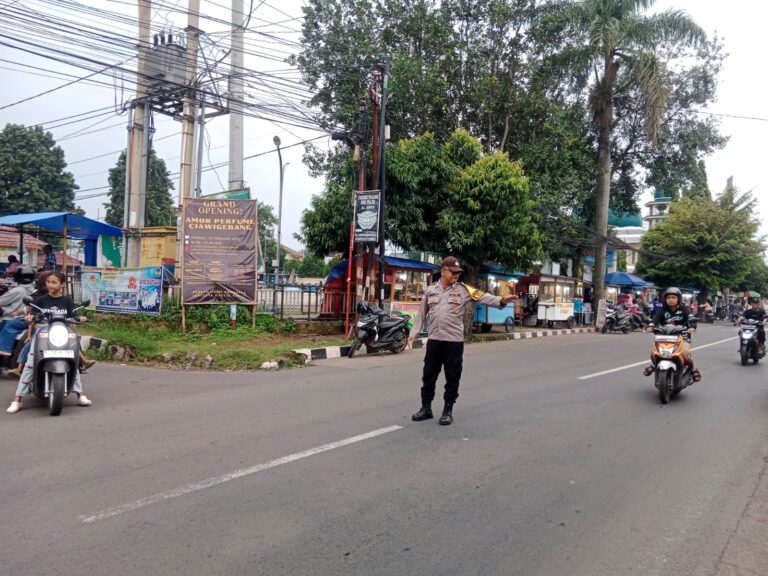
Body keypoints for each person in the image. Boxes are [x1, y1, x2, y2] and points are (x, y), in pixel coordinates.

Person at [407, 256, 515, 426]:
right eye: (453, 272)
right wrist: (413, 333)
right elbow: (421, 314)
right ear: (443, 271)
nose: (456, 276)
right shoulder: (430, 291)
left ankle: (447, 410)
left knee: (452, 377)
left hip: (454, 343)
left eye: (458, 273)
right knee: (428, 376)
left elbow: (483, 297)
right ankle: (425, 408)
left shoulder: (464, 290)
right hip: (434, 341)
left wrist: (501, 300)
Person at [7, 271, 92, 414]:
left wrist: (80, 319)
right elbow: (31, 313)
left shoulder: (67, 302)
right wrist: (29, 318)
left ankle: (80, 394)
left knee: (73, 361)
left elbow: (74, 317)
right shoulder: (41, 300)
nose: (50, 285)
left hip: (61, 333)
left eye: (54, 282)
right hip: (43, 334)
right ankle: (17, 400)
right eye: (48, 282)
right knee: (30, 363)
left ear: (62, 285)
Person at [643, 287, 701, 381]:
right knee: (654, 354)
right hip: (665, 336)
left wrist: (692, 327)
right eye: (668, 297)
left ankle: (693, 369)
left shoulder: (684, 309)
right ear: (665, 299)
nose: (671, 300)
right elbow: (655, 319)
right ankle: (655, 366)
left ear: (678, 299)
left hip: (682, 336)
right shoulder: (662, 310)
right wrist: (651, 325)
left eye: (673, 297)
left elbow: (691, 318)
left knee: (685, 354)